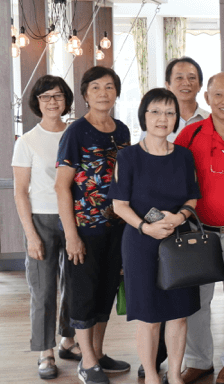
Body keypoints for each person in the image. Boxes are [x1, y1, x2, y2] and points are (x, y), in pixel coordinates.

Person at [110, 88, 201, 384]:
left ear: (176, 119)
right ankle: (151, 375)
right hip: (140, 244)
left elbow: (192, 197)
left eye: (169, 112)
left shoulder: (184, 156)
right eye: (156, 111)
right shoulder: (128, 156)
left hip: (177, 243)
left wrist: (180, 216)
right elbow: (120, 205)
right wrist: (145, 227)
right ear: (144, 116)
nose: (163, 118)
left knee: (179, 314)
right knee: (149, 317)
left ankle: (174, 375)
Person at [55, 66, 132, 384]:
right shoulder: (76, 132)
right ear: (85, 94)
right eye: (96, 87)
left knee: (106, 293)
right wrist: (71, 236)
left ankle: (98, 353)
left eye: (110, 87)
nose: (104, 92)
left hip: (117, 229)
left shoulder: (123, 131)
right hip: (85, 230)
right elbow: (62, 186)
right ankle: (86, 362)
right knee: (84, 295)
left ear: (116, 92)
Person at [177, 73, 224, 384]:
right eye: (218, 95)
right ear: (207, 98)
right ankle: (198, 360)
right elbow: (175, 178)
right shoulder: (189, 135)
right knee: (197, 302)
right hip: (199, 233)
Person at [12, 75, 78, 379]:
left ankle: (67, 340)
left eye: (58, 95)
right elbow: (20, 192)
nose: (53, 101)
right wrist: (31, 235)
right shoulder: (27, 141)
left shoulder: (75, 134)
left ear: (66, 100)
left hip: (75, 220)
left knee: (75, 286)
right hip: (42, 220)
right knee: (44, 290)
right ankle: (45, 351)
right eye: (45, 96)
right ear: (37, 103)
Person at [164, 57, 209, 141]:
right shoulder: (156, 122)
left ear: (200, 85)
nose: (186, 83)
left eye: (191, 78)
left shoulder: (213, 121)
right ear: (168, 86)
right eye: (179, 78)